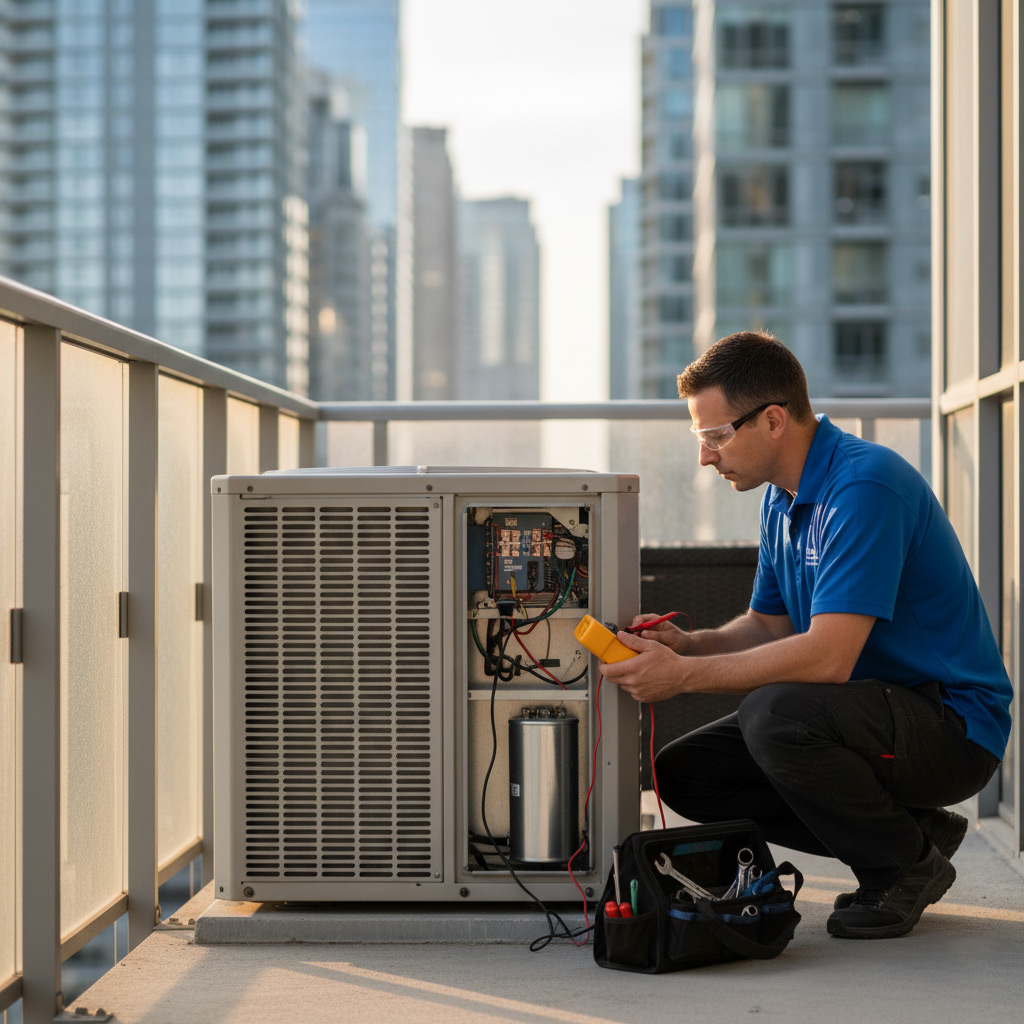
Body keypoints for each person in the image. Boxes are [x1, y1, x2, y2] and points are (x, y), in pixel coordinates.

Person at [600, 331, 1012, 940]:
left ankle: (901, 867)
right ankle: (912, 833)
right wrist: (689, 645)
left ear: (772, 420)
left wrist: (682, 678)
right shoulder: (781, 499)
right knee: (685, 772)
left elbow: (828, 657)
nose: (706, 457)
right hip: (870, 713)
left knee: (775, 715)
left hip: (952, 727)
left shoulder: (863, 488)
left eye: (716, 436)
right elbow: (767, 625)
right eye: (699, 438)